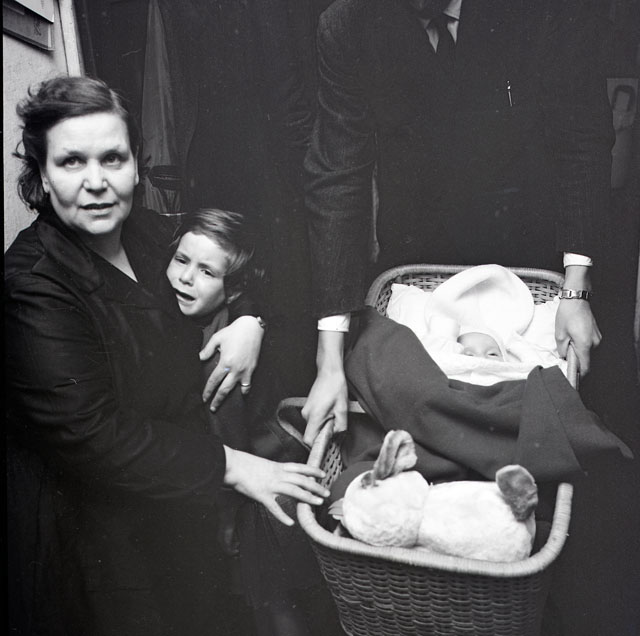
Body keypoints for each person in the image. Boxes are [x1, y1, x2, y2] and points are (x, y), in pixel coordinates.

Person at [301, 1, 639, 634]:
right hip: (415, 253)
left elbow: (583, 138)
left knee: (594, 462)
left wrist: (574, 286)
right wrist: (329, 356)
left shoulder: (543, 12)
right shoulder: (348, 24)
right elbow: (336, 176)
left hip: (535, 245)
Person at [5, 75, 329, 636]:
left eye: (113, 158)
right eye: (72, 161)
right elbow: (92, 434)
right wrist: (234, 466)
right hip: (98, 544)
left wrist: (249, 319)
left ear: (137, 164)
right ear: (42, 174)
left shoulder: (151, 232)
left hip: (180, 502)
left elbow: (236, 266)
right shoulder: (32, 284)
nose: (97, 182)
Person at [166, 207, 342, 636]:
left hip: (263, 486)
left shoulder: (222, 357)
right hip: (264, 473)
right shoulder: (209, 319)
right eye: (181, 260)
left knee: (276, 604)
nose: (185, 278)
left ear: (232, 291)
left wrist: (227, 519)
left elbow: (230, 445)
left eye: (206, 271)